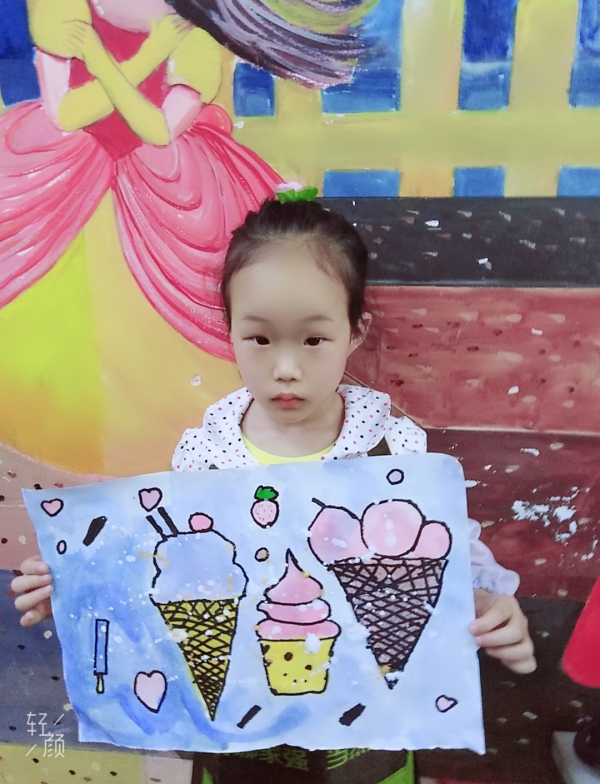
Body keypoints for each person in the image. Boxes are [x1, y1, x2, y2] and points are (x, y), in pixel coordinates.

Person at [12, 199, 537, 784]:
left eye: (313, 340)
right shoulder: (206, 458)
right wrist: (77, 582)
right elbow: (161, 571)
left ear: (355, 332)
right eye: (260, 339)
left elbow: (448, 565)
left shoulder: (393, 450)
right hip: (241, 754)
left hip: (368, 755)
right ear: (230, 332)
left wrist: (489, 605)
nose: (286, 367)